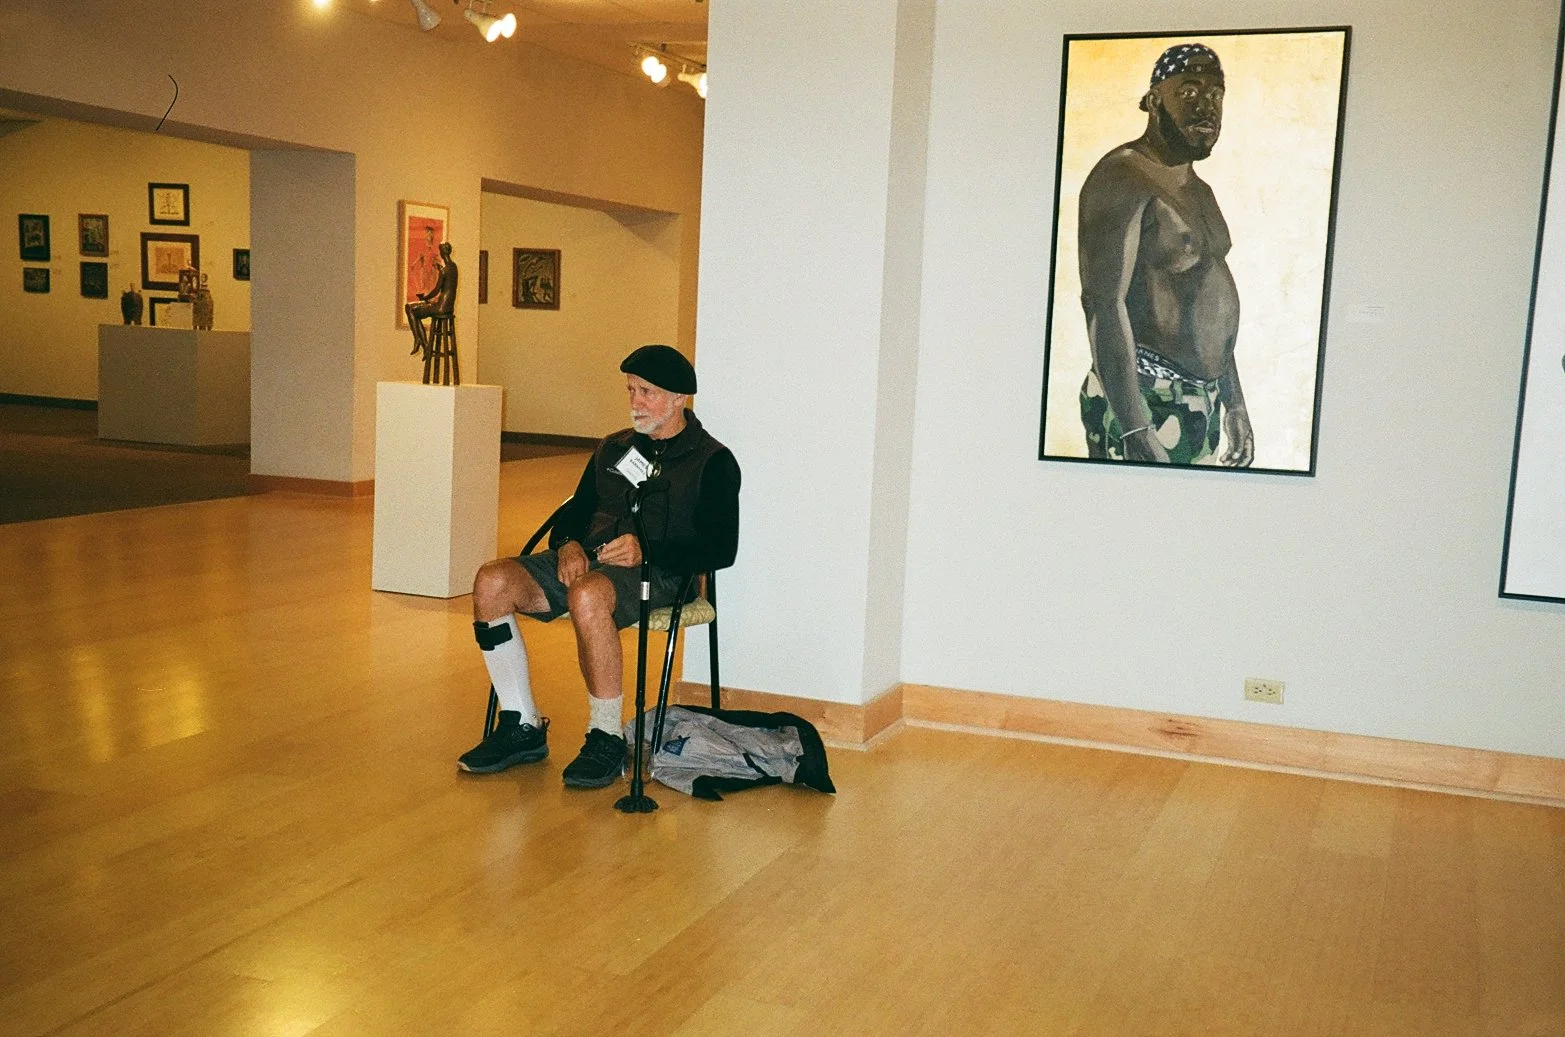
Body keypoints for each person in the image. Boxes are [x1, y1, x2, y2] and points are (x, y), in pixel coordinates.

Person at [458, 345, 741, 787]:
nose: (635, 401)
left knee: (587, 593)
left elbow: (721, 549)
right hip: (590, 561)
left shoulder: (713, 461)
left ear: (678, 398)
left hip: (662, 573)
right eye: (631, 390)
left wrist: (648, 551)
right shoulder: (613, 448)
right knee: (492, 580)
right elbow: (573, 515)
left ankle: (606, 735)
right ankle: (522, 724)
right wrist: (568, 544)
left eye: (646, 392)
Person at [1076, 42, 1253, 466]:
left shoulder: (1201, 192)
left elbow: (1206, 305)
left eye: (1216, 94)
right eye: (1189, 91)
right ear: (1155, 101)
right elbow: (1103, 303)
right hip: (1144, 398)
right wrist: (1134, 427)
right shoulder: (1122, 175)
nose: (1206, 106)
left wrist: (1235, 403)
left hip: (1202, 403)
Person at [405, 241, 457, 356]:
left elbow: (436, 290)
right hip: (448, 307)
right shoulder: (453, 267)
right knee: (414, 310)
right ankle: (424, 344)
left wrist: (424, 298)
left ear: (442, 253)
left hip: (440, 307)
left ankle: (420, 341)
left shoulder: (444, 270)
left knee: (409, 308)